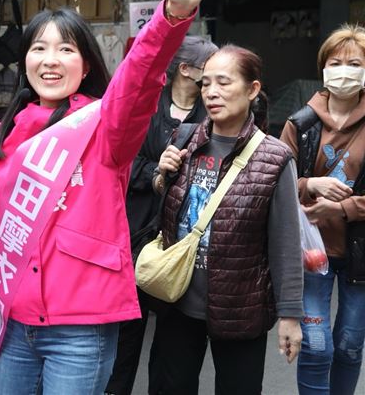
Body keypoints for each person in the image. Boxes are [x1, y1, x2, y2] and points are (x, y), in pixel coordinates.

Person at [0, 0, 221, 395]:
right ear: (25, 61)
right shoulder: (4, 137)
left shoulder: (105, 126)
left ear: (86, 63)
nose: (50, 60)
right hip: (15, 324)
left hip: (81, 328)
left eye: (65, 49)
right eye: (38, 48)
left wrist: (173, 15)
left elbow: (138, 79)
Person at [148, 45, 303, 395]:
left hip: (240, 307)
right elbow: (168, 212)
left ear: (252, 89)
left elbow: (285, 243)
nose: (211, 92)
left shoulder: (274, 158)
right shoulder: (185, 138)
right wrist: (162, 175)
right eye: (205, 84)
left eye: (223, 82)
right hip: (178, 299)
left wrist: (290, 315)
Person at [106, 35, 217, 395]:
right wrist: (158, 169)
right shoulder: (146, 106)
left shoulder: (213, 114)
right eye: (210, 69)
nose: (216, 80)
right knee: (124, 335)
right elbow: (120, 162)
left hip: (182, 242)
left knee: (175, 344)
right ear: (185, 69)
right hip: (134, 233)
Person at [280, 24, 365, 395]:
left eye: (355, 63)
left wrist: (342, 208)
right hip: (311, 251)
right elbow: (274, 181)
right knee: (316, 347)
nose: (344, 70)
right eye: (336, 63)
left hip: (360, 254)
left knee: (349, 344)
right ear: (323, 68)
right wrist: (308, 186)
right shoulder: (300, 124)